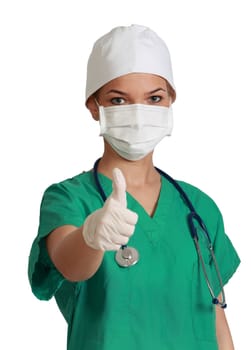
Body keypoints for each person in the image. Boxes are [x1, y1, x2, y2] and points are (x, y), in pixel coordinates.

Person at [28, 24, 240, 350]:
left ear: (170, 101)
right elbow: (69, 265)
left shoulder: (199, 207)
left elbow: (217, 319)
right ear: (94, 106)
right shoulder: (69, 198)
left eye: (154, 98)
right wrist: (90, 237)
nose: (139, 115)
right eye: (119, 99)